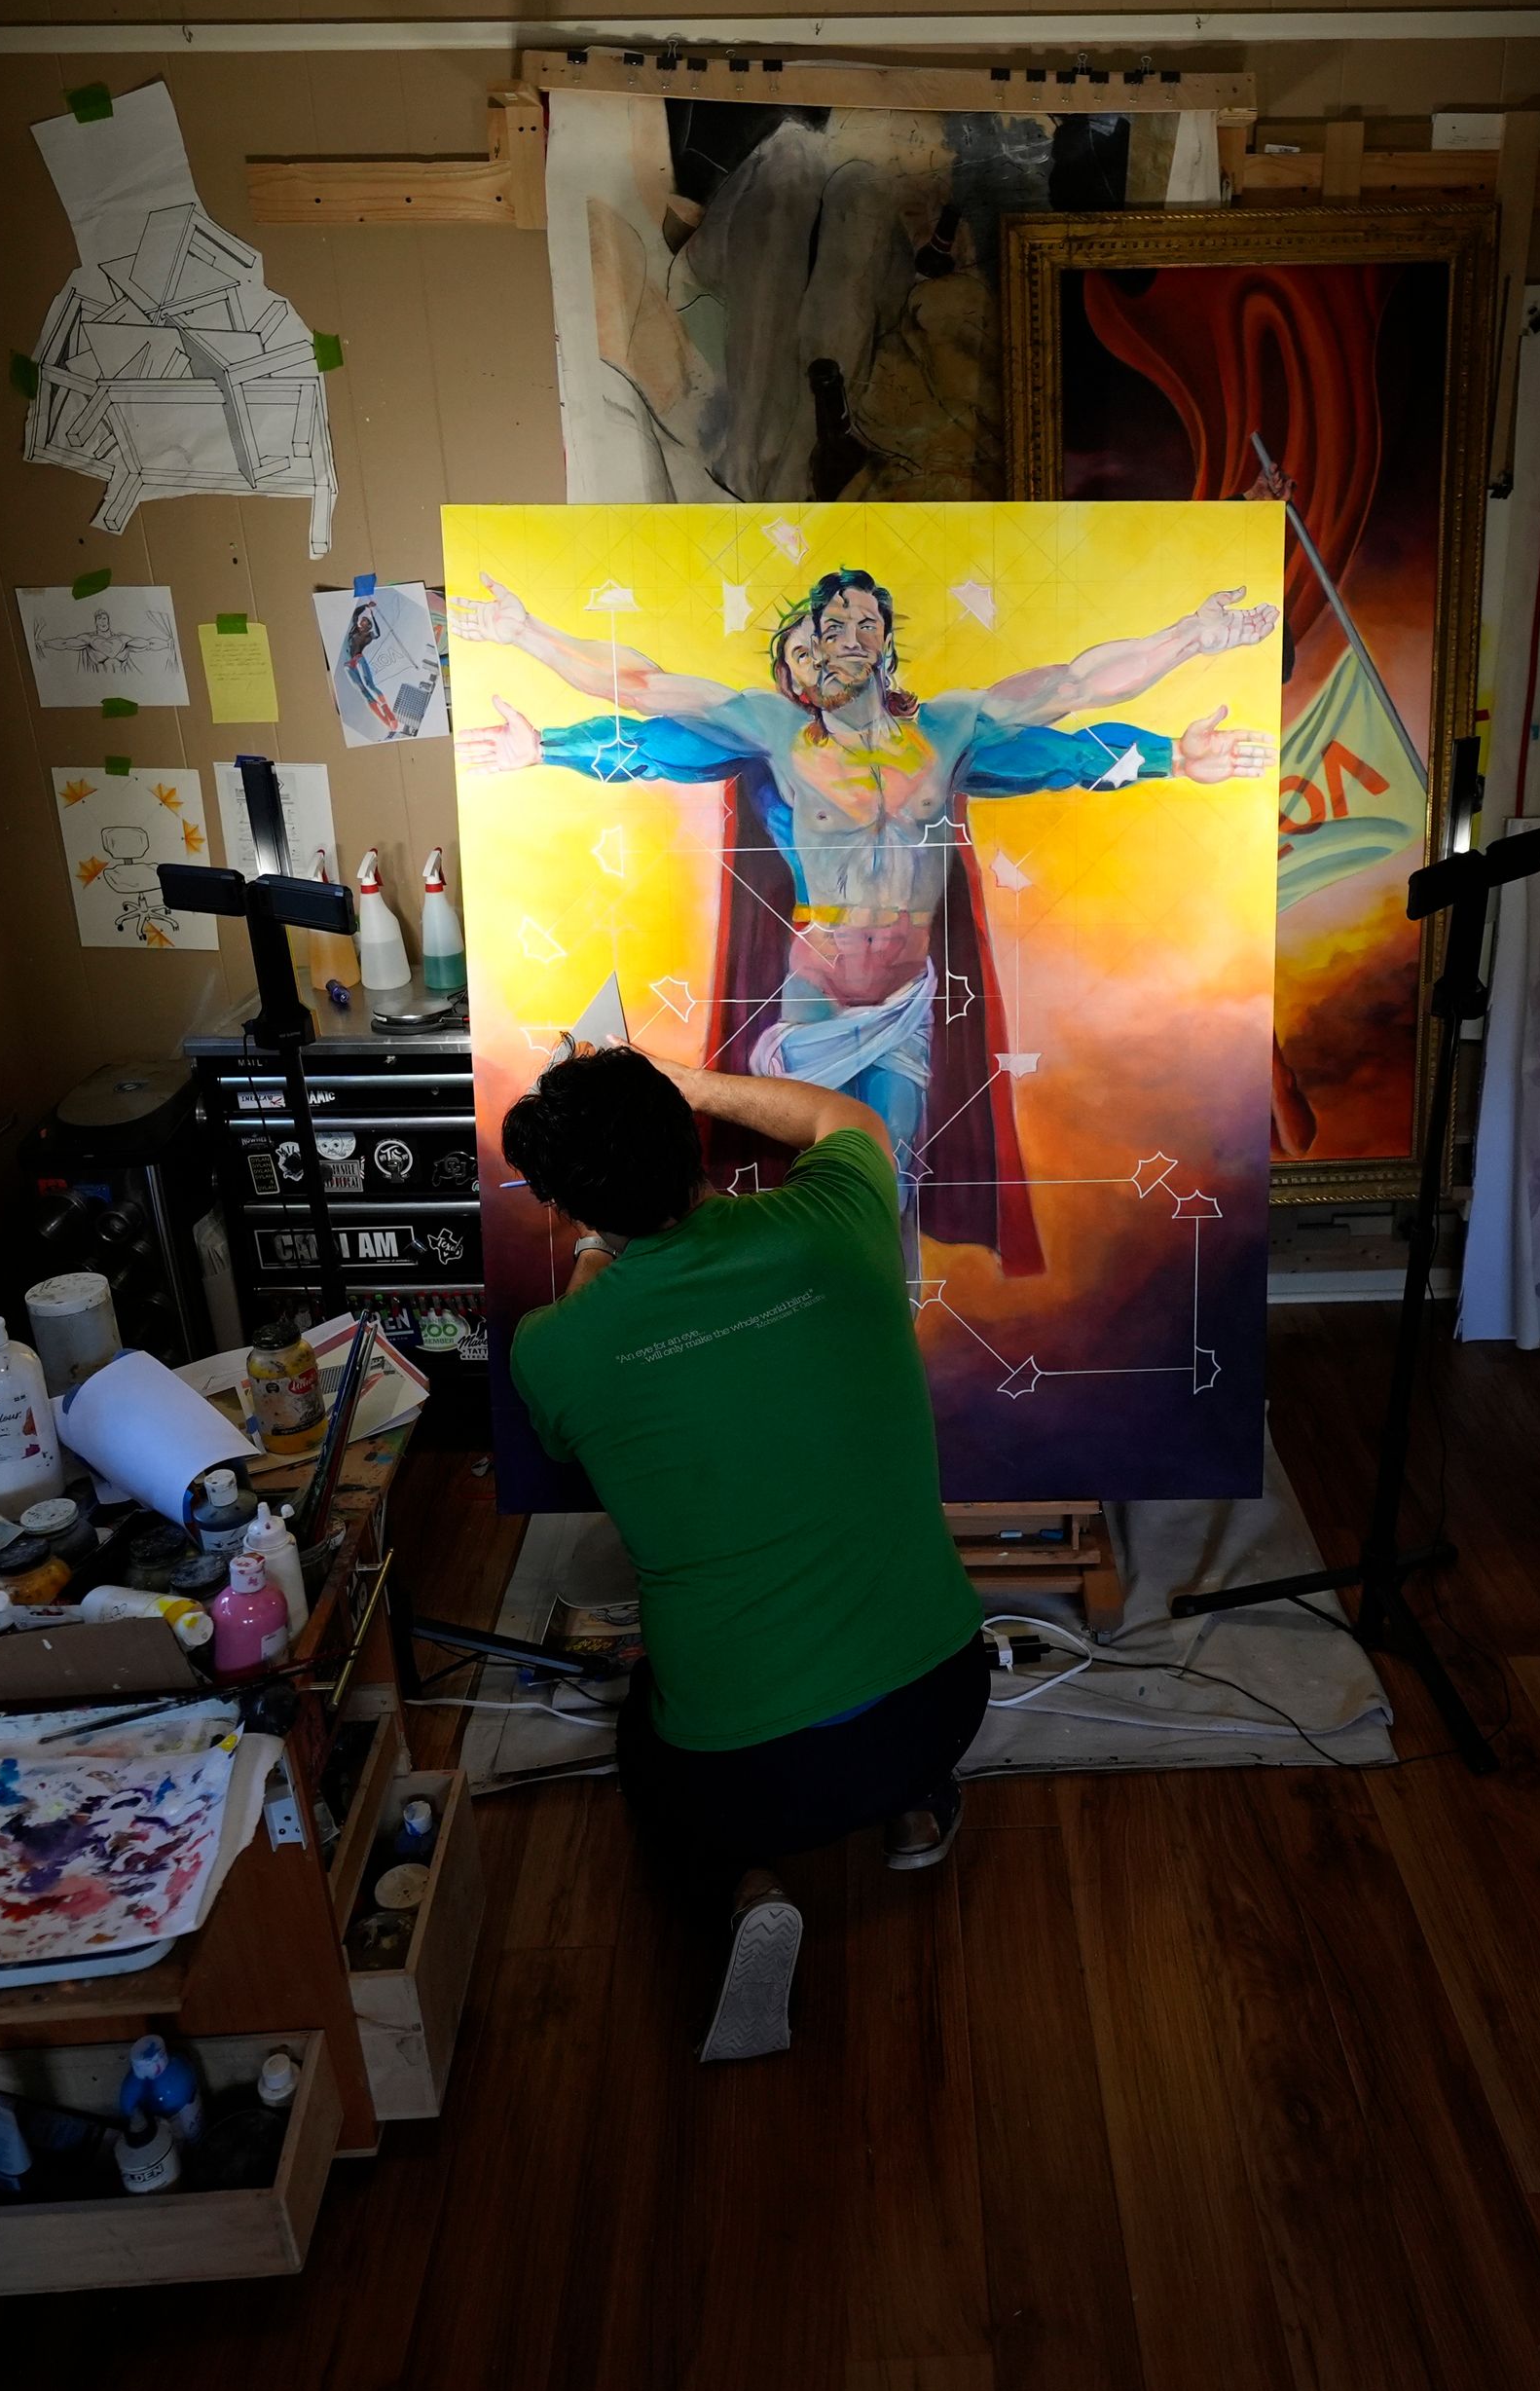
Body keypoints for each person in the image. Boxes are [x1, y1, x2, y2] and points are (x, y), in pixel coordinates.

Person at [458, 567, 1270, 1269]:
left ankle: (885, 1335)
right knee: (814, 1179)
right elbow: (639, 691)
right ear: (801, 659)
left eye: (865, 622)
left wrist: (1193, 641)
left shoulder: (946, 728)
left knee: (896, 1175)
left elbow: (1076, 687)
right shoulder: (776, 729)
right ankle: (802, 1326)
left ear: (884, 645)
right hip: (814, 995)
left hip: (906, 1003)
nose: (848, 634)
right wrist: (526, 642)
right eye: (828, 625)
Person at [499, 1041, 990, 2061]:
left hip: (750, 1779)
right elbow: (841, 1123)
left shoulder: (554, 1347)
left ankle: (747, 1888)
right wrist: (681, 1085)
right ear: (691, 1142)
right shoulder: (838, 1224)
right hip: (946, 1700)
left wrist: (598, 1243)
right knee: (880, 1682)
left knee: (644, 1726)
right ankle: (913, 1814)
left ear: (564, 1202)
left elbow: (567, 1422)